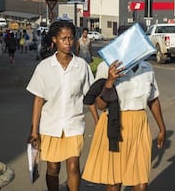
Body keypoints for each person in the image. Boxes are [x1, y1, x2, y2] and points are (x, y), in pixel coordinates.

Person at [82, 32, 166, 190]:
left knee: (141, 179)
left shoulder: (147, 68)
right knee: (115, 179)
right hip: (115, 125)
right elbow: (100, 105)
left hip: (140, 126)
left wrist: (162, 128)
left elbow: (153, 99)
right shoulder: (106, 67)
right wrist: (109, 81)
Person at [26, 21, 94, 191]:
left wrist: (98, 120)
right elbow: (38, 100)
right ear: (54, 39)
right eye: (63, 38)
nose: (68, 42)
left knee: (73, 166)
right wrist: (34, 131)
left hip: (74, 125)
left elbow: (89, 96)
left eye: (71, 38)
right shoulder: (44, 67)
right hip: (50, 126)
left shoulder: (82, 66)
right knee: (53, 169)